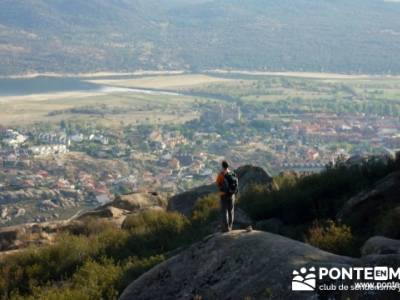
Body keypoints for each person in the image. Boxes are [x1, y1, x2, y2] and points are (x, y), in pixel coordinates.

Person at [216, 160, 238, 232]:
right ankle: (230, 226)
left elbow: (218, 184)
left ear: (222, 166)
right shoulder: (232, 173)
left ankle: (226, 228)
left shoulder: (221, 175)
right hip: (232, 195)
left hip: (224, 195)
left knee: (224, 211)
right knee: (231, 210)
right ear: (228, 166)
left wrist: (222, 187)